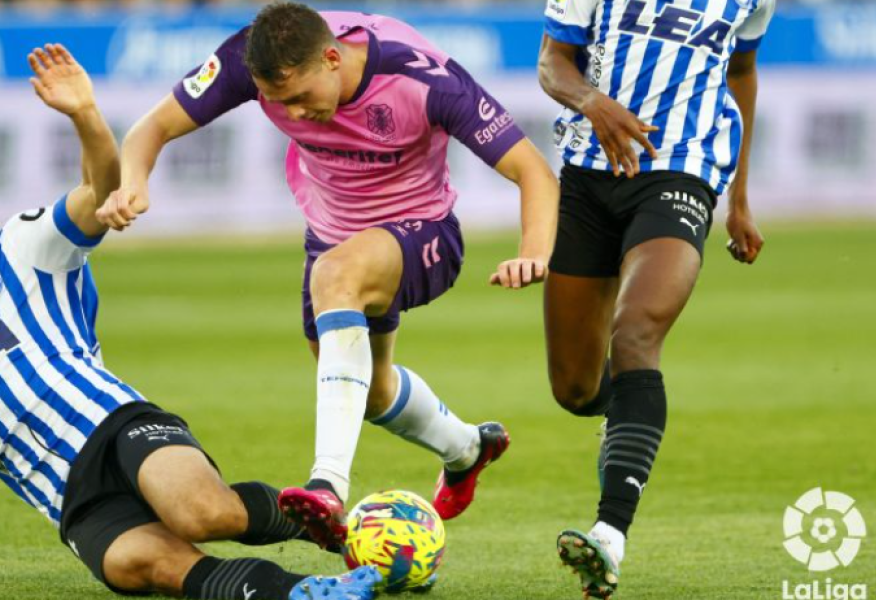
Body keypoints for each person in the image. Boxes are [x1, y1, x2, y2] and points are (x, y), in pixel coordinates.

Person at [0, 44, 380, 600]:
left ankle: (342, 529)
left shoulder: (23, 246)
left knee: (202, 514)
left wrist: (84, 116)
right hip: (73, 501)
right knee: (153, 568)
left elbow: (98, 194)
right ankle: (310, 592)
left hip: (114, 428)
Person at [95, 2, 560, 549]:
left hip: (423, 231)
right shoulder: (251, 59)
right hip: (332, 236)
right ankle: (467, 448)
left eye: (299, 97)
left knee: (336, 277)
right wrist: (134, 185)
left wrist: (532, 251)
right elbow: (149, 130)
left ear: (334, 58)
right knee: (370, 391)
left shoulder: (423, 79)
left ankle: (328, 486)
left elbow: (533, 170)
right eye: (275, 101)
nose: (290, 113)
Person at [536, 0, 774, 596]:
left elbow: (740, 73)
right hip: (589, 177)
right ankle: (626, 416)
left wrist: (738, 198)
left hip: (682, 172)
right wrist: (592, 103)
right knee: (575, 388)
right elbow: (552, 63)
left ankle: (609, 534)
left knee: (637, 329)